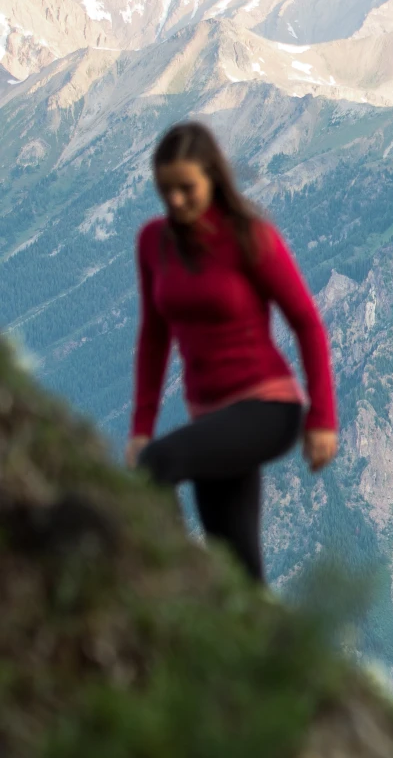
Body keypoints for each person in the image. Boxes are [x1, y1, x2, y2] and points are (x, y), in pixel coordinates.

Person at [125, 122, 338, 583]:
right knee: (236, 567)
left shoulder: (249, 236)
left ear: (213, 179)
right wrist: (140, 428)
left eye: (187, 189)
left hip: (267, 408)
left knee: (158, 464)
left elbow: (306, 322)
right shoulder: (154, 242)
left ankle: (170, 591)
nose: (175, 201)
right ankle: (252, 627)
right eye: (166, 190)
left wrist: (322, 418)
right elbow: (154, 337)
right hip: (212, 417)